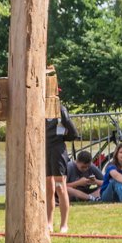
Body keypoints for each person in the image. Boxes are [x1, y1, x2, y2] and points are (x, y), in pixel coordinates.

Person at [45, 100, 78, 234]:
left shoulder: (60, 110)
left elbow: (73, 133)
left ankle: (64, 224)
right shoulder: (39, 108)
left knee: (60, 186)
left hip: (58, 150)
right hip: (44, 149)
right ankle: (49, 222)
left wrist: (63, 136)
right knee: (48, 187)